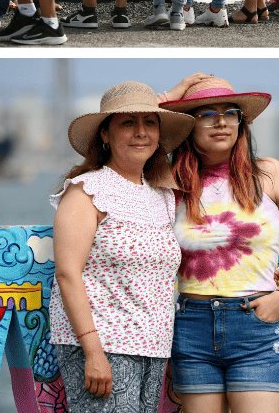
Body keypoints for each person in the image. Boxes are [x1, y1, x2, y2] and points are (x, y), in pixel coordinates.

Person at [160, 76, 279, 412]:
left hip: (257, 324)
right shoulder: (169, 180)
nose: (221, 121)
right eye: (206, 113)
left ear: (241, 124)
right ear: (188, 126)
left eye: (230, 112)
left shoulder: (269, 174)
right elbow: (134, 132)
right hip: (191, 326)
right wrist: (170, 97)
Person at [49, 80, 196, 411]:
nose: (140, 132)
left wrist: (181, 89)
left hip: (154, 347)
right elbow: (67, 274)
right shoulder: (86, 191)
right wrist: (92, 351)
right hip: (102, 345)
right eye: (128, 123)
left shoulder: (162, 194)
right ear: (106, 134)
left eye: (150, 122)